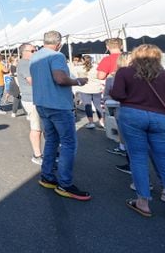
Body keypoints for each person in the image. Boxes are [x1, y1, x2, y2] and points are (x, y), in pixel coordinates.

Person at [110, 44, 165, 226]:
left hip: (132, 115)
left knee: (138, 158)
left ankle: (143, 202)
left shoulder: (125, 73)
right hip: (161, 119)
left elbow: (118, 94)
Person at [31, 31, 91, 201]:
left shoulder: (35, 57)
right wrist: (78, 81)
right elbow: (60, 79)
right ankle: (65, 184)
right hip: (58, 105)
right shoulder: (56, 56)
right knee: (68, 144)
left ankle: (47, 176)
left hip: (42, 103)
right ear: (59, 43)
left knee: (51, 140)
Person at [17, 43, 43, 165]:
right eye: (33, 50)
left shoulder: (28, 63)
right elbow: (33, 81)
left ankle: (46, 153)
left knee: (41, 127)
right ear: (24, 52)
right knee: (36, 128)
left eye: (36, 50)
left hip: (35, 98)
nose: (35, 52)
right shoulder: (25, 64)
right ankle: (37, 155)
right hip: (32, 99)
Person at [73, 55, 105, 129]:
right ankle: (102, 121)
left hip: (85, 89)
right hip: (97, 88)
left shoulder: (79, 68)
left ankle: (91, 122)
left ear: (83, 60)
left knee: (88, 106)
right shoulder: (96, 67)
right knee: (98, 106)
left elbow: (76, 77)